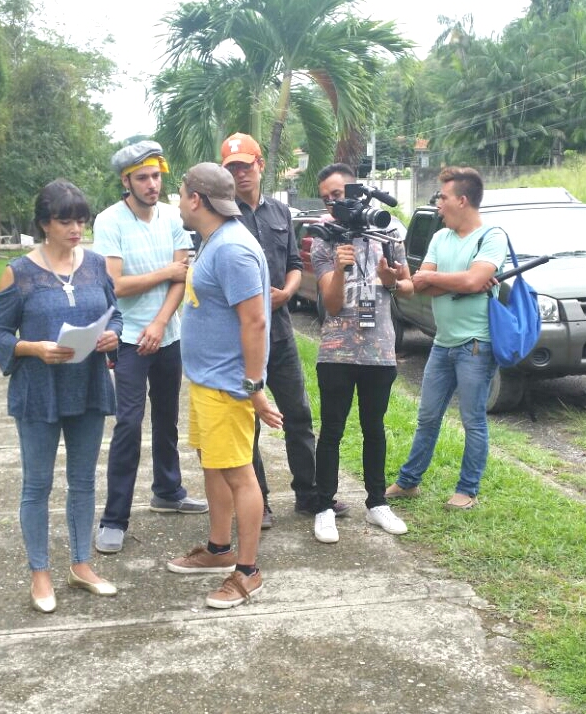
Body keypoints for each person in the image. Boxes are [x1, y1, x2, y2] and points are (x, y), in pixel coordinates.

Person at [0, 179, 122, 613]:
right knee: (37, 484)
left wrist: (112, 335)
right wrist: (33, 348)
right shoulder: (19, 272)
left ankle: (81, 565)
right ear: (45, 223)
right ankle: (40, 573)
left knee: (83, 481)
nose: (76, 229)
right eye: (66, 221)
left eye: (81, 220)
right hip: (38, 391)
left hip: (88, 385)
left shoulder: (96, 265)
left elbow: (116, 315)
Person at [166, 162, 282, 609]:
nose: (178, 202)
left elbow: (255, 322)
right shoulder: (213, 242)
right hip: (206, 381)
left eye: (180, 194)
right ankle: (219, 550)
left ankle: (248, 572)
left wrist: (254, 387)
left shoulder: (233, 249)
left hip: (228, 385)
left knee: (238, 473)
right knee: (213, 464)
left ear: (196, 199)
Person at [220, 132, 349, 528]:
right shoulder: (222, 216)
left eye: (246, 165)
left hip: (279, 331)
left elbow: (294, 263)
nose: (240, 174)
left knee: (298, 414)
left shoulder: (280, 212)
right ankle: (258, 502)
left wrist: (289, 292)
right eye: (232, 168)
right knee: (248, 422)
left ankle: (309, 494)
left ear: (260, 165)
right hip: (240, 337)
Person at [93, 140, 207, 555]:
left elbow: (183, 276)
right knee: (128, 424)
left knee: (167, 419)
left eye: (156, 176)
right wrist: (165, 272)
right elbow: (115, 285)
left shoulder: (173, 218)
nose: (152, 184)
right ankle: (114, 518)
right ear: (126, 181)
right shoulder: (109, 221)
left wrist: (160, 323)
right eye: (142, 178)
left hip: (167, 334)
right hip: (127, 339)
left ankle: (168, 491)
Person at [385, 166, 507, 509]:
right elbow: (420, 284)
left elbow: (468, 282)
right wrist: (464, 281)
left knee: (473, 421)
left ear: (462, 200)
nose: (438, 204)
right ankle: (409, 482)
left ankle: (467, 490)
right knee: (427, 416)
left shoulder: (491, 237)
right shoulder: (440, 237)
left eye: (443, 197)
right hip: (442, 343)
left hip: (476, 344)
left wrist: (453, 281)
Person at [310, 163, 412, 544]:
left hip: (379, 348)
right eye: (326, 198)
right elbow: (332, 304)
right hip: (337, 351)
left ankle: (377, 503)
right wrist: (340, 268)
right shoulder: (324, 237)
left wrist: (392, 281)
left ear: (357, 191)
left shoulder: (387, 229)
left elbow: (408, 286)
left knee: (374, 427)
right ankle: (324, 506)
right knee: (332, 430)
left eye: (338, 195)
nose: (333, 203)